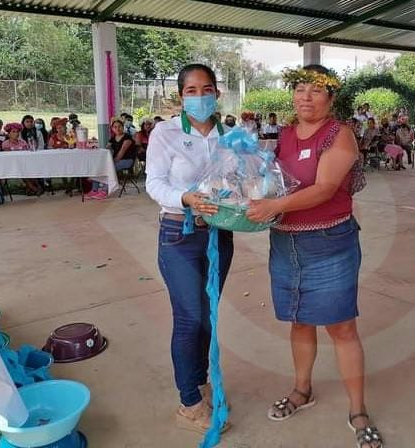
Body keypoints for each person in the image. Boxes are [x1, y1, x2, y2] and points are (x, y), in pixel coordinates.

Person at [245, 64, 383, 448]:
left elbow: (324, 188)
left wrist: (273, 206)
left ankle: (358, 411)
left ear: (331, 97)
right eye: (300, 89)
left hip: (329, 243)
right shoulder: (285, 134)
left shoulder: (339, 134)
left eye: (316, 90)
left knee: (342, 328)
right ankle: (301, 390)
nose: (305, 96)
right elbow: (272, 181)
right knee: (300, 321)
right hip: (285, 244)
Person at [145, 64, 234, 434]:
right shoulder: (165, 133)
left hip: (219, 235)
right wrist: (185, 198)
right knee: (190, 318)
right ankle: (189, 402)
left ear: (217, 93)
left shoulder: (229, 135)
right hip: (178, 235)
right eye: (191, 91)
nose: (200, 97)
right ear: (181, 96)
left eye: (207, 89)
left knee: (207, 317)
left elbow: (237, 181)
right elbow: (154, 183)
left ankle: (200, 381)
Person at [87, 118, 136, 200]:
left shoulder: (127, 138)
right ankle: (94, 190)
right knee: (99, 166)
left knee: (110, 169)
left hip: (127, 161)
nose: (117, 129)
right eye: (115, 127)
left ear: (123, 127)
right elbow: (106, 149)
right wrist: (95, 145)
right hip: (115, 160)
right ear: (112, 128)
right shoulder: (113, 138)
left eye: (120, 126)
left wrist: (110, 163)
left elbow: (121, 153)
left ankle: (104, 191)